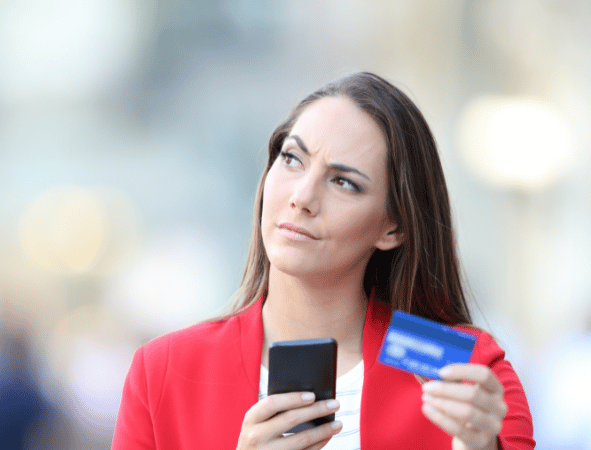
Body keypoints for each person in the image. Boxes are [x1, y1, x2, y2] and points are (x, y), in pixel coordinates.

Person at [112, 72, 535, 449]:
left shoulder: (457, 366)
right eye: (292, 159)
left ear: (393, 228)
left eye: (344, 183)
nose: (302, 197)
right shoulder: (165, 371)